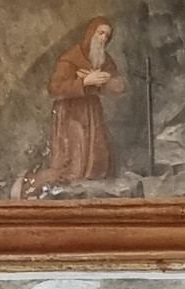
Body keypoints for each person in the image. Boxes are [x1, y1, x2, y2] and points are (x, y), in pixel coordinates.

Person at [33, 17, 126, 185]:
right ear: (91, 34)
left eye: (107, 36)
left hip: (92, 111)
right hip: (70, 112)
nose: (103, 38)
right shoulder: (71, 57)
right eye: (100, 33)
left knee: (98, 163)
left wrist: (106, 81)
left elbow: (119, 86)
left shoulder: (104, 58)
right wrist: (84, 82)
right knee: (74, 162)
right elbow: (55, 87)